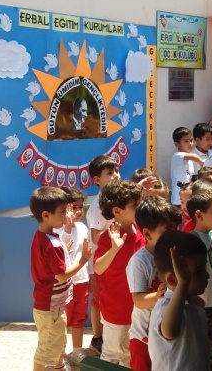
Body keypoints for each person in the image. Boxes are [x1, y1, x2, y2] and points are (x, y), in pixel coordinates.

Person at [30, 187, 91, 371]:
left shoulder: (42, 237)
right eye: (63, 211)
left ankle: (60, 368)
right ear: (46, 215)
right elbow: (61, 275)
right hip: (51, 307)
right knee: (46, 349)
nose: (66, 215)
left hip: (51, 304)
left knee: (57, 344)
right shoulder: (53, 243)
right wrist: (83, 260)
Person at [126, 196, 181, 371]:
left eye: (175, 228)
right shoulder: (139, 261)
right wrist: (157, 296)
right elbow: (138, 300)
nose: (174, 234)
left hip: (166, 335)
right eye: (168, 230)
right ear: (148, 234)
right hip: (143, 337)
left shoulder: (175, 254)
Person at [94, 180, 145, 366]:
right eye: (135, 205)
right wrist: (114, 249)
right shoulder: (108, 237)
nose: (140, 208)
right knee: (112, 356)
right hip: (116, 311)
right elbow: (98, 267)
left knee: (131, 356)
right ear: (117, 211)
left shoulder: (140, 230)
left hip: (138, 309)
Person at [148, 230, 210, 370]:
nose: (207, 275)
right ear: (173, 280)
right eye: (199, 271)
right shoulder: (165, 306)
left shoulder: (193, 301)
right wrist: (183, 284)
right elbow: (169, 331)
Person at [187, 190, 212, 369]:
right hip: (202, 306)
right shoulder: (193, 241)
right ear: (199, 215)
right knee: (202, 350)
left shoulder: (210, 235)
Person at [85, 154, 121, 354]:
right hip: (101, 262)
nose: (116, 175)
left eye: (117, 171)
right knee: (99, 299)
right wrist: (116, 237)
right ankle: (98, 338)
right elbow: (96, 237)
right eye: (110, 173)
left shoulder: (117, 199)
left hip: (116, 258)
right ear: (97, 180)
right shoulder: (98, 206)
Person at [54, 186, 90, 354]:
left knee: (79, 318)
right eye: (73, 207)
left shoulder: (83, 228)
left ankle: (77, 352)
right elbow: (60, 252)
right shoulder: (57, 229)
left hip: (82, 280)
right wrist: (67, 227)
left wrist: (91, 277)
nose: (78, 211)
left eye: (80, 207)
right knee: (62, 319)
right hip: (65, 283)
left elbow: (87, 254)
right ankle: (59, 355)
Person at [169, 127, 204, 207]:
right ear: (177, 144)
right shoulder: (177, 156)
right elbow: (194, 157)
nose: (190, 143)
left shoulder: (189, 160)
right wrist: (202, 163)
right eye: (186, 141)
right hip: (178, 198)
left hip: (188, 196)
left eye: (191, 140)